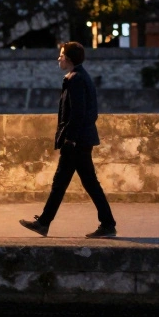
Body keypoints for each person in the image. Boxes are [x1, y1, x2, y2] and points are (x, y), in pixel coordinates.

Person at [20, 42, 117, 238]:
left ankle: (45, 223)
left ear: (69, 59)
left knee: (63, 182)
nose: (59, 58)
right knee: (83, 182)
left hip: (76, 142)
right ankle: (106, 223)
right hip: (82, 140)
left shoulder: (75, 79)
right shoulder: (80, 77)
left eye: (61, 55)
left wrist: (70, 139)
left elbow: (78, 113)